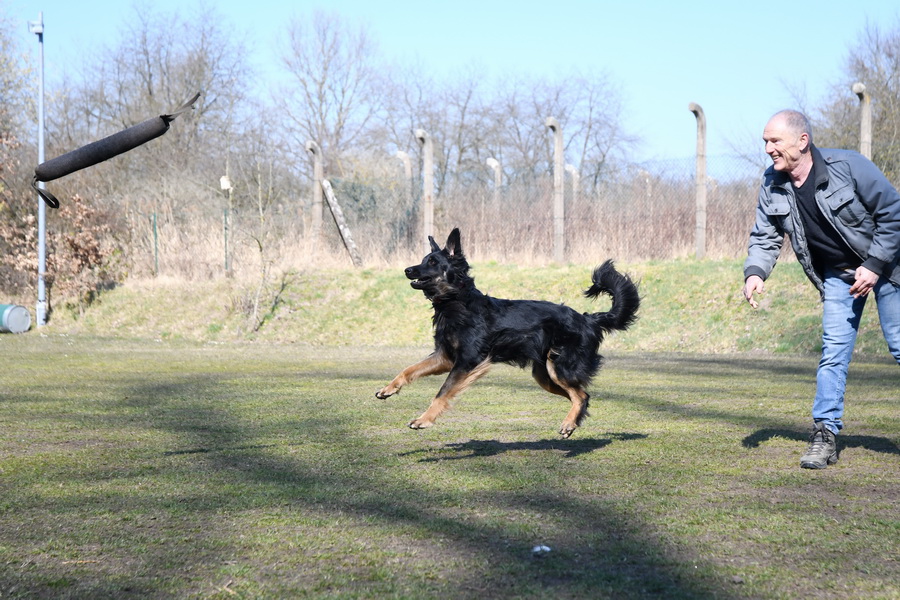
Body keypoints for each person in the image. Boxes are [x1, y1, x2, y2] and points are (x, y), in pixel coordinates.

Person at [742, 109, 900, 469]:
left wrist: (874, 265)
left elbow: (894, 213)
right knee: (833, 353)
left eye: (774, 140)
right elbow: (766, 236)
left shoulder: (850, 167)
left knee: (898, 344)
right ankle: (824, 435)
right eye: (765, 141)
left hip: (889, 267)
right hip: (839, 275)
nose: (767, 148)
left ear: (802, 141)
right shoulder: (772, 183)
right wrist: (756, 273)